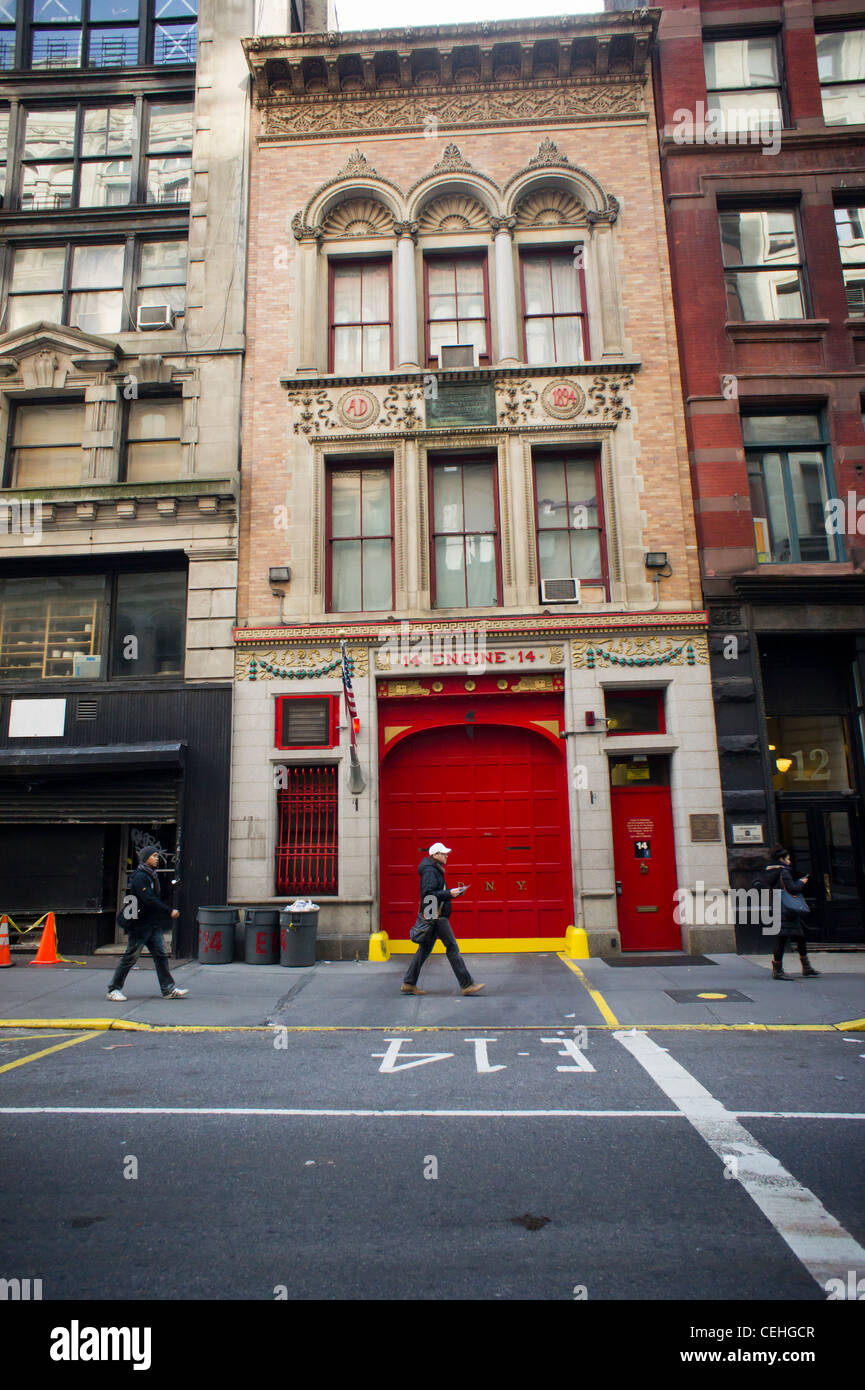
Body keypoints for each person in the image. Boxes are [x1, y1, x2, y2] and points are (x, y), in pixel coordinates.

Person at [401, 841, 485, 996]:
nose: (447, 855)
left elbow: (432, 894)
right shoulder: (430, 871)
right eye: (444, 853)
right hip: (437, 916)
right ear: (435, 855)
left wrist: (452, 893)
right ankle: (467, 984)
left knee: (425, 949)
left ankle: (409, 983)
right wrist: (449, 893)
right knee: (452, 947)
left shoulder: (434, 869)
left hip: (434, 913)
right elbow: (428, 894)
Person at [107, 848, 188, 1001]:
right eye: (154, 856)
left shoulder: (151, 875)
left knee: (161, 955)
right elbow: (149, 899)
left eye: (157, 856)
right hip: (140, 925)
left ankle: (168, 989)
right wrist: (168, 911)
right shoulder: (140, 877)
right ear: (146, 858)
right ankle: (113, 989)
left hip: (152, 924)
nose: (157, 859)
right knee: (130, 957)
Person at [757, 845, 820, 980]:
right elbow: (792, 889)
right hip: (787, 909)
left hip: (778, 906)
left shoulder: (767, 872)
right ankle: (778, 970)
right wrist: (802, 882)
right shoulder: (783, 872)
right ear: (782, 859)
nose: (789, 861)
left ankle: (806, 966)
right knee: (783, 938)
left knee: (799, 936)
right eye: (788, 859)